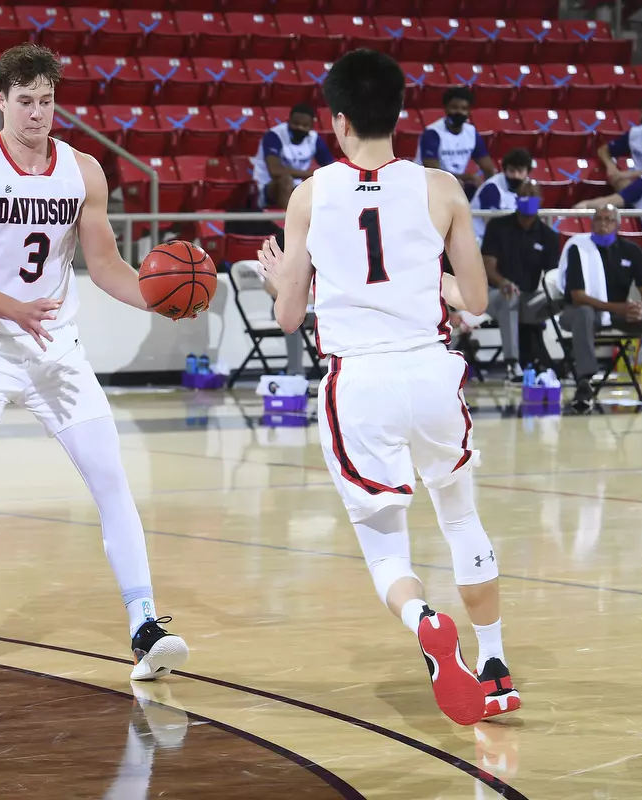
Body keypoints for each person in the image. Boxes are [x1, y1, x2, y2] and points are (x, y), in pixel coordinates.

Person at [257, 48, 519, 726]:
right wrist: (426, 280)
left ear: (337, 120)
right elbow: (479, 300)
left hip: (360, 381)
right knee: (461, 516)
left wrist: (277, 279)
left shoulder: (309, 195)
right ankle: (493, 665)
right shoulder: (441, 188)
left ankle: (425, 619)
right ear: (400, 114)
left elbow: (288, 319)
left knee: (385, 549)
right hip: (431, 372)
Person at [0, 42, 189, 681]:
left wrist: (157, 298)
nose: (38, 114)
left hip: (54, 350)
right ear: (1, 102)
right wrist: (13, 308)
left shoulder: (85, 170)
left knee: (111, 478)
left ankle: (144, 623)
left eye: (46, 101)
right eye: (26, 102)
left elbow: (103, 266)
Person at [556, 204, 642, 412]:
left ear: (617, 224)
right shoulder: (578, 249)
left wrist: (640, 308)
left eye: (608, 219)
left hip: (616, 315)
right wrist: (620, 308)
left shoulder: (631, 250)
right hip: (576, 312)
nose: (603, 224)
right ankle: (585, 381)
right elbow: (578, 297)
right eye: (598, 219)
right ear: (591, 223)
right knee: (584, 313)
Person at [480, 179, 560, 380]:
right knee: (510, 297)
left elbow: (551, 275)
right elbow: (487, 265)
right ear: (516, 198)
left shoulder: (549, 236)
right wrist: (503, 282)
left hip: (529, 298)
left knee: (560, 299)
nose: (528, 198)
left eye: (533, 195)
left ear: (540, 200)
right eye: (524, 194)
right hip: (495, 294)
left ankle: (567, 365)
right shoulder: (498, 226)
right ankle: (512, 363)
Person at [251, 103, 335, 211]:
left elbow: (330, 166)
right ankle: (287, 222)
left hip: (298, 187)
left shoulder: (314, 138)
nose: (299, 128)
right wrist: (312, 174)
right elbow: (275, 171)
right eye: (295, 124)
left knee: (329, 181)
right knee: (285, 180)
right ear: (288, 121)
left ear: (311, 126)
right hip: (267, 187)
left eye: (304, 125)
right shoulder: (274, 135)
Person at [419, 87, 496, 199]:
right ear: (446, 109)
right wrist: (467, 177)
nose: (459, 112)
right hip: (427, 184)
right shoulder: (432, 133)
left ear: (469, 112)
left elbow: (489, 169)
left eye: (463, 108)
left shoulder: (471, 132)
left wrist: (487, 189)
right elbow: (433, 172)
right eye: (454, 108)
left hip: (457, 183)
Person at [469, 148, 532, 242]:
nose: (516, 175)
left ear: (527, 171)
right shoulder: (492, 188)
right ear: (505, 170)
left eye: (520, 171)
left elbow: (531, 220)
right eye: (512, 170)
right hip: (479, 239)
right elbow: (491, 225)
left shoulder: (529, 189)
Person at [596, 94, 642, 192]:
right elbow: (603, 150)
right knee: (618, 179)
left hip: (639, 178)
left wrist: (631, 174)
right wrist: (610, 166)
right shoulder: (634, 133)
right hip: (639, 184)